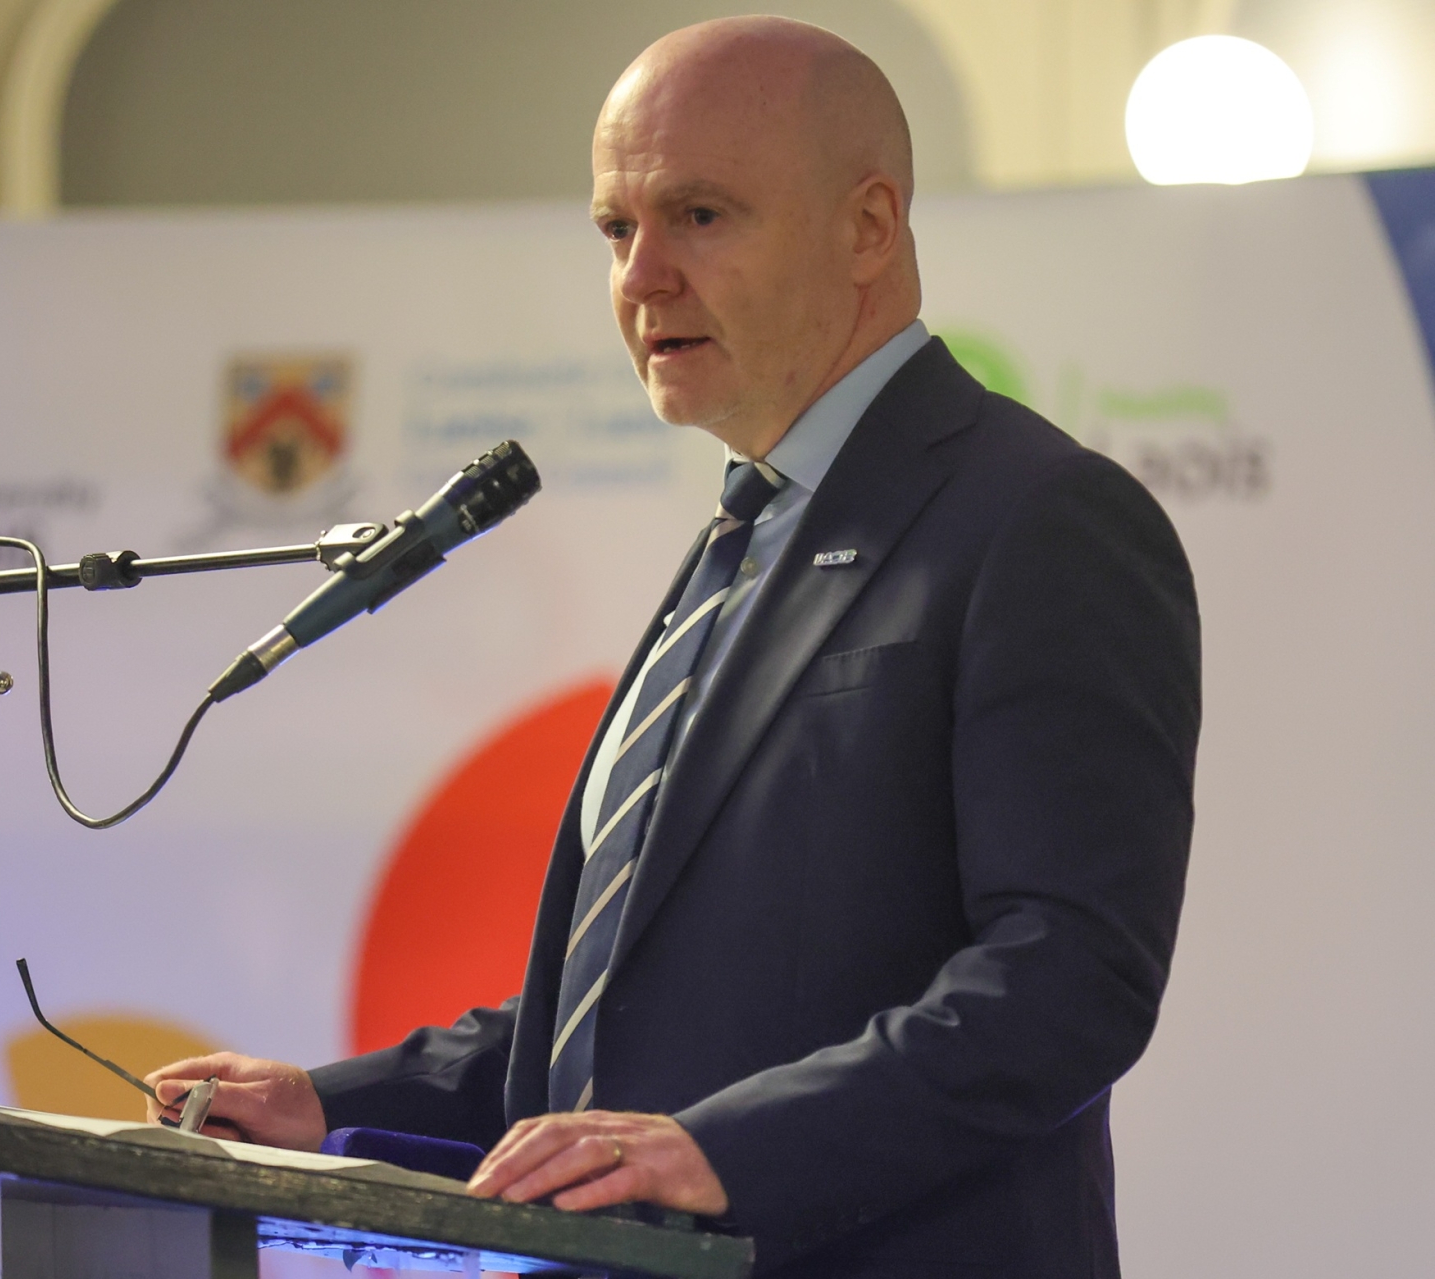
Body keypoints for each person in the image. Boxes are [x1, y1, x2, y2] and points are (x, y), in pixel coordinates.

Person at [147, 16, 1200, 1278]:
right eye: (616, 229)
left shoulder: (1037, 519)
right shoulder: (743, 537)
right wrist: (326, 1103)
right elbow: (619, 1018)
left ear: (869, 226)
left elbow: (1070, 980)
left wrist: (728, 1154)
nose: (642, 277)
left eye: (699, 215)